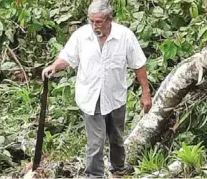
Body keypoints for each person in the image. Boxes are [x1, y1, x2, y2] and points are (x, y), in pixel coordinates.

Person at [42, 0, 152, 178]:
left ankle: (118, 170)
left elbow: (139, 64)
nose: (94, 25)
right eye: (91, 21)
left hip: (115, 97)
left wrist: (145, 92)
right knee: (96, 142)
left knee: (116, 138)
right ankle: (94, 175)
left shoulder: (124, 36)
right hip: (90, 97)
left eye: (98, 21)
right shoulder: (81, 36)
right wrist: (54, 66)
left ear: (110, 20)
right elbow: (67, 57)